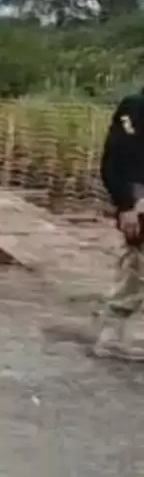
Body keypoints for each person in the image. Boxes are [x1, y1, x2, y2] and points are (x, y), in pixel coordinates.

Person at [95, 88, 144, 360]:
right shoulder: (136, 107)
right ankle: (111, 336)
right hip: (139, 199)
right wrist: (126, 204)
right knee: (135, 267)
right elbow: (115, 160)